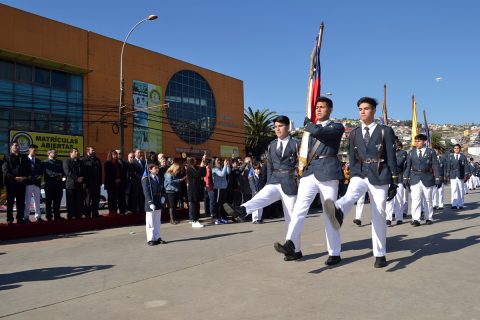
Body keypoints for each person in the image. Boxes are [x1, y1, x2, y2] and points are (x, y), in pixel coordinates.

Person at [323, 97, 398, 268]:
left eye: (366, 108)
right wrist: (354, 172)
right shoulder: (354, 132)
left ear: (373, 111)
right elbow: (351, 155)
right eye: (360, 109)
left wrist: (394, 180)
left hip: (379, 173)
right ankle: (338, 210)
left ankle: (380, 254)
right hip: (359, 171)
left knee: (378, 214)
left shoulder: (385, 130)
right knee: (351, 194)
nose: (362, 111)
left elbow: (391, 157)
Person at [273, 98, 345, 264]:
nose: (318, 110)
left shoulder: (336, 127)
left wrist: (309, 126)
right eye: (317, 107)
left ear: (330, 109)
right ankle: (290, 244)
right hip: (310, 170)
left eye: (322, 107)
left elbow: (321, 133)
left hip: (328, 170)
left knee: (329, 214)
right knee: (298, 209)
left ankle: (334, 252)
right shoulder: (310, 129)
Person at [224, 115, 299, 258]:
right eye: (275, 126)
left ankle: (294, 249)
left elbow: (301, 164)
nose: (277, 129)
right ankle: (242, 209)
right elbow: (269, 166)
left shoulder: (296, 144)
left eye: (280, 126)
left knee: (291, 218)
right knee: (261, 196)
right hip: (275, 179)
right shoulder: (271, 145)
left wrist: (297, 178)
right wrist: (268, 181)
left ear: (288, 127)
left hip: (290, 181)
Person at [403, 134, 441, 226]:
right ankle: (415, 219)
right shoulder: (411, 152)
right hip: (415, 177)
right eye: (416, 141)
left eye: (419, 141)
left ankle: (429, 218)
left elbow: (435, 165)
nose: (417, 143)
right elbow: (408, 166)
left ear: (424, 142)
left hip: (427, 177)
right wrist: (405, 178)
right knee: (416, 199)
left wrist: (438, 178)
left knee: (428, 199)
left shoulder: (431, 151)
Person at [2, 142, 31, 224]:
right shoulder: (7, 157)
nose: (18, 147)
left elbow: (28, 169)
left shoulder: (24, 157)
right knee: (10, 202)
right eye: (16, 145)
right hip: (11, 183)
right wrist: (15, 178)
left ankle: (20, 218)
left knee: (21, 202)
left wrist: (24, 177)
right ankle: (10, 219)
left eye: (18, 146)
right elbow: (5, 170)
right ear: (11, 147)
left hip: (22, 183)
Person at [142, 163, 167, 246]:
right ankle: (150, 239)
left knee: (157, 221)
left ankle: (157, 237)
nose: (157, 169)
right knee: (150, 222)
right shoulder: (146, 179)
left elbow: (163, 188)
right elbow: (146, 192)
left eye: (157, 168)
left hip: (158, 201)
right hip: (151, 203)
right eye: (155, 168)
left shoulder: (158, 178)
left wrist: (163, 196)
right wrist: (150, 202)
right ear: (150, 169)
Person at [386, 139, 408, 225]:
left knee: (399, 199)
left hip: (399, 178)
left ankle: (399, 218)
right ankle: (388, 218)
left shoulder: (402, 153)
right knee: (389, 199)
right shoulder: (387, 152)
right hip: (388, 178)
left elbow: (398, 163)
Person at [24, 144, 44, 223]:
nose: (35, 152)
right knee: (27, 201)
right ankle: (26, 217)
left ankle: (38, 217)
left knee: (37, 201)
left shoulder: (38, 161)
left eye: (36, 150)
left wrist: (40, 175)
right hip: (28, 183)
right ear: (29, 150)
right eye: (34, 150)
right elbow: (24, 170)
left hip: (37, 183)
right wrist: (27, 176)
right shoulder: (25, 159)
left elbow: (41, 170)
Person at [43, 149, 65, 221]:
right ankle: (49, 217)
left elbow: (63, 172)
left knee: (57, 202)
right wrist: (58, 175)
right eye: (54, 153)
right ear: (49, 153)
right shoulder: (45, 163)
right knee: (48, 202)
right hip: (49, 185)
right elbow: (49, 173)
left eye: (57, 152)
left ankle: (57, 216)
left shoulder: (60, 162)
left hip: (58, 185)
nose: (56, 154)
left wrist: (61, 175)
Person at [63, 148, 85, 220]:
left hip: (79, 185)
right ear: (71, 153)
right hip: (70, 185)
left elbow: (83, 171)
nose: (77, 152)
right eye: (75, 151)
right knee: (70, 202)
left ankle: (78, 214)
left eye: (77, 151)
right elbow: (67, 172)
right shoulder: (67, 161)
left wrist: (82, 177)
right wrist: (76, 179)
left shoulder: (80, 162)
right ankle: (70, 215)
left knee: (78, 201)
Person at [445, 144, 467, 210]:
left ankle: (461, 204)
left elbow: (466, 166)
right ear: (453, 149)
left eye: (457, 148)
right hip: (453, 174)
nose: (456, 149)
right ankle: (454, 204)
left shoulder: (463, 156)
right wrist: (447, 175)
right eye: (455, 148)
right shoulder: (450, 157)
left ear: (460, 149)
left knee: (460, 189)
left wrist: (466, 174)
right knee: (453, 189)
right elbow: (448, 166)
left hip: (460, 174)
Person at [186, 156, 207, 228]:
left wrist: (203, 165)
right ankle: (194, 221)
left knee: (197, 205)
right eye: (194, 160)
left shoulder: (196, 167)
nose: (196, 161)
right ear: (191, 161)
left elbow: (203, 174)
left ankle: (197, 220)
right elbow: (197, 175)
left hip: (197, 189)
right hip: (192, 190)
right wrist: (201, 167)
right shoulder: (189, 169)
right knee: (194, 206)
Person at [104, 150, 127, 216]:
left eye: (116, 154)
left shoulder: (118, 163)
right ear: (110, 155)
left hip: (118, 184)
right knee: (111, 198)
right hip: (110, 184)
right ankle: (111, 211)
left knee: (115, 198)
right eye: (114, 155)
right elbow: (108, 174)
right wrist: (114, 180)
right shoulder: (108, 163)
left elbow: (121, 172)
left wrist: (120, 179)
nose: (116, 156)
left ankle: (116, 211)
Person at [82, 146, 102, 218]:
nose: (94, 151)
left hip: (96, 184)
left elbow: (100, 172)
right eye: (92, 150)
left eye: (94, 150)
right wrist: (84, 183)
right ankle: (87, 214)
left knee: (96, 200)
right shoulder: (84, 160)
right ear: (88, 151)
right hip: (88, 184)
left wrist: (100, 182)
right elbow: (83, 172)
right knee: (87, 200)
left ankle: (95, 214)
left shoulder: (97, 160)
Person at [211, 157, 231, 224]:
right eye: (217, 160)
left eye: (219, 160)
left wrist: (227, 165)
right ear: (214, 162)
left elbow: (228, 172)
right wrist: (225, 166)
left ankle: (222, 218)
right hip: (218, 188)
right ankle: (217, 218)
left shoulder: (221, 168)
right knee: (217, 204)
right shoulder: (214, 169)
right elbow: (221, 174)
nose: (219, 161)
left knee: (222, 204)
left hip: (223, 188)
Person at [131, 149, 146, 214]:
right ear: (135, 154)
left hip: (142, 182)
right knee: (135, 197)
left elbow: (145, 171)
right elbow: (133, 173)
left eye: (140, 153)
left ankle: (141, 209)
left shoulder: (143, 162)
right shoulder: (133, 162)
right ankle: (134, 210)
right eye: (138, 153)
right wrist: (141, 177)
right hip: (136, 182)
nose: (140, 154)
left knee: (142, 196)